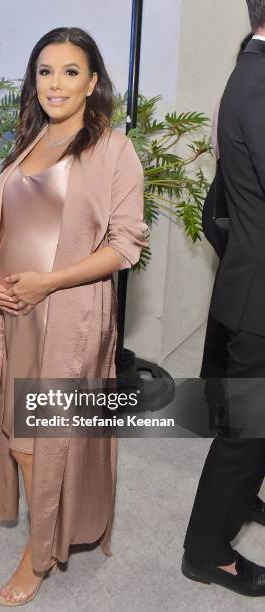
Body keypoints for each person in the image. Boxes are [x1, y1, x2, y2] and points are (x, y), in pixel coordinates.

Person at [0, 26, 148, 606]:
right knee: (17, 429)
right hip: (16, 315)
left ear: (93, 81)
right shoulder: (27, 140)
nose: (56, 83)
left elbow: (126, 245)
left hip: (68, 314)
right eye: (46, 71)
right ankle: (45, 532)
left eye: (71, 71)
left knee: (43, 435)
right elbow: (8, 228)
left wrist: (48, 281)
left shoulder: (113, 149)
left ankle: (39, 552)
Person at [182, 1, 265, 597]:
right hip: (259, 296)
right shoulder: (257, 83)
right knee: (247, 432)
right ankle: (206, 551)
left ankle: (241, 500)